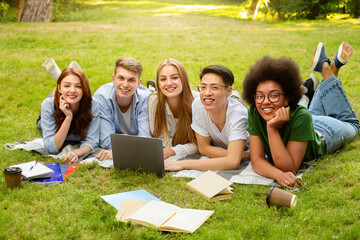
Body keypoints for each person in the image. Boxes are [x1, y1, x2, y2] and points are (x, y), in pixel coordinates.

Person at [241, 42, 359, 189]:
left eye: (274, 95)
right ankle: (333, 67)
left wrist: (271, 128)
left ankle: (326, 69)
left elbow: (288, 168)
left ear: (287, 98)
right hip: (307, 122)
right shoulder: (254, 112)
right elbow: (257, 160)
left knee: (352, 124)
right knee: (311, 113)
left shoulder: (301, 116)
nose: (265, 102)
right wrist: (277, 175)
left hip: (325, 131)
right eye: (259, 96)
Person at [165, 65, 249, 171]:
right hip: (241, 152)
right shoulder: (198, 105)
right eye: (203, 87)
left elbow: (232, 163)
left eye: (215, 87)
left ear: (229, 91)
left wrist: (184, 164)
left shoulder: (238, 114)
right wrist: (244, 155)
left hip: (246, 147)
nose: (207, 93)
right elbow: (204, 148)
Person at [38, 67, 100, 163]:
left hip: (71, 102)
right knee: (40, 124)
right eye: (67, 86)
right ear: (59, 88)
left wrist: (76, 153)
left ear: (84, 89)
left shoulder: (92, 104)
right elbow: (51, 148)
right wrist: (68, 117)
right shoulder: (48, 105)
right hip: (52, 110)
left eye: (78, 86)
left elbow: (92, 141)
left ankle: (64, 77)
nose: (72, 90)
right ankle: (55, 91)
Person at [93, 58, 150, 160]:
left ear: (138, 83)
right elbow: (106, 141)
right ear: (113, 79)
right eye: (121, 78)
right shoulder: (101, 97)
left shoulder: (147, 99)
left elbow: (145, 139)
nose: (125, 84)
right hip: (131, 141)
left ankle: (151, 88)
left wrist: (119, 152)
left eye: (131, 80)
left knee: (154, 96)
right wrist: (134, 148)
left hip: (144, 94)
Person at [148, 59, 198, 160]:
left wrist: (172, 150)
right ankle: (150, 87)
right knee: (150, 93)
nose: (169, 83)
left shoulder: (197, 102)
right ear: (158, 83)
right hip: (156, 95)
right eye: (163, 79)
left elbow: (201, 144)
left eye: (174, 78)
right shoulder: (154, 100)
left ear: (183, 79)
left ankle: (234, 96)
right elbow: (157, 138)